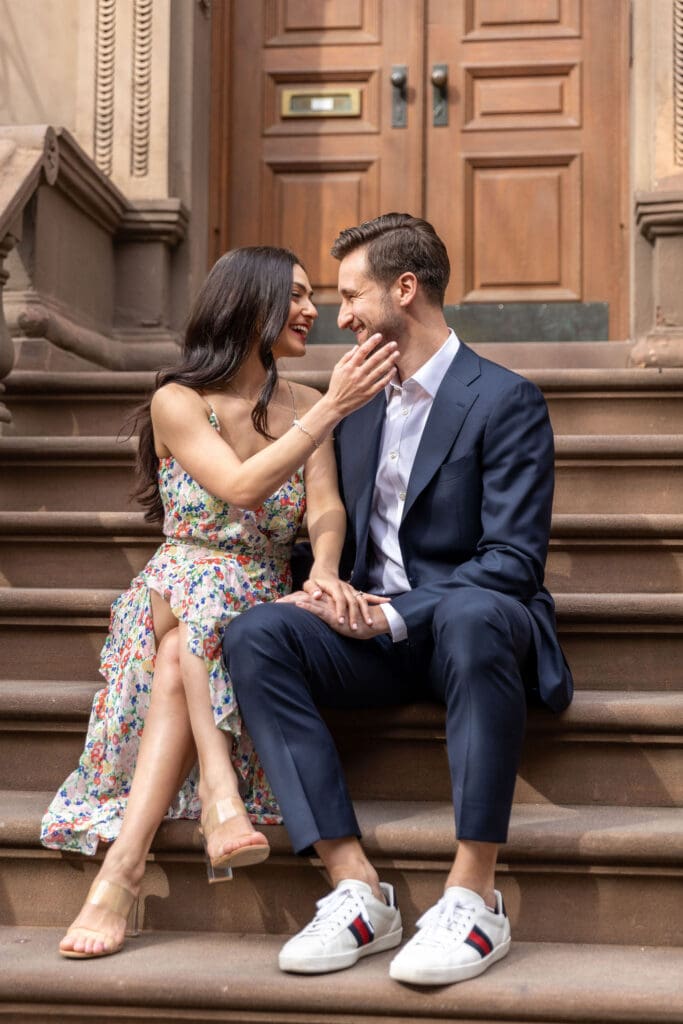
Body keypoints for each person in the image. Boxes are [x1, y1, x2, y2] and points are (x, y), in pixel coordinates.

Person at [222, 214, 574, 986]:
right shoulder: (355, 403)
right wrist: (321, 585)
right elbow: (322, 523)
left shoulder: (503, 398)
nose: (338, 316)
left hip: (469, 629)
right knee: (254, 635)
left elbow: (511, 561)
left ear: (403, 290)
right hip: (369, 634)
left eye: (350, 296)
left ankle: (473, 895)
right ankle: (353, 888)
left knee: (477, 610)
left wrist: (392, 611)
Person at [40, 245, 398, 959]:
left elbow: (324, 508)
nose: (310, 310)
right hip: (182, 583)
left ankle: (124, 870)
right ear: (250, 303)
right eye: (294, 296)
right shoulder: (178, 400)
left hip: (251, 595)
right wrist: (328, 409)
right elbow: (240, 488)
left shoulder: (295, 404)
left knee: (186, 645)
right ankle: (216, 795)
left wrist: (324, 569)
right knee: (196, 601)